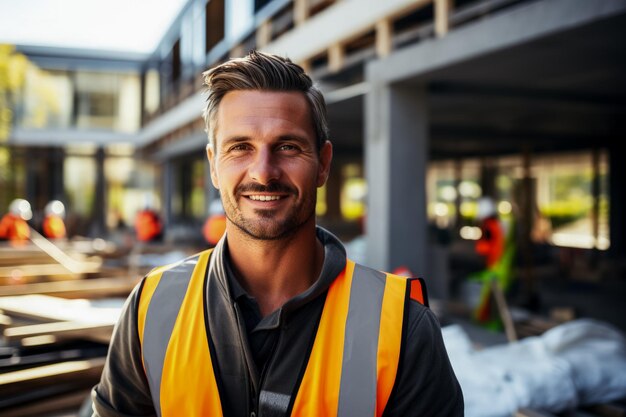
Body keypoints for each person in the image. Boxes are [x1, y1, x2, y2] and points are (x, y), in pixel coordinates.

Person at [91, 51, 463, 417]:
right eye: (240, 148)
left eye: (288, 146)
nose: (263, 173)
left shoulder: (402, 326)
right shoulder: (150, 308)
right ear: (213, 166)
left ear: (324, 164)